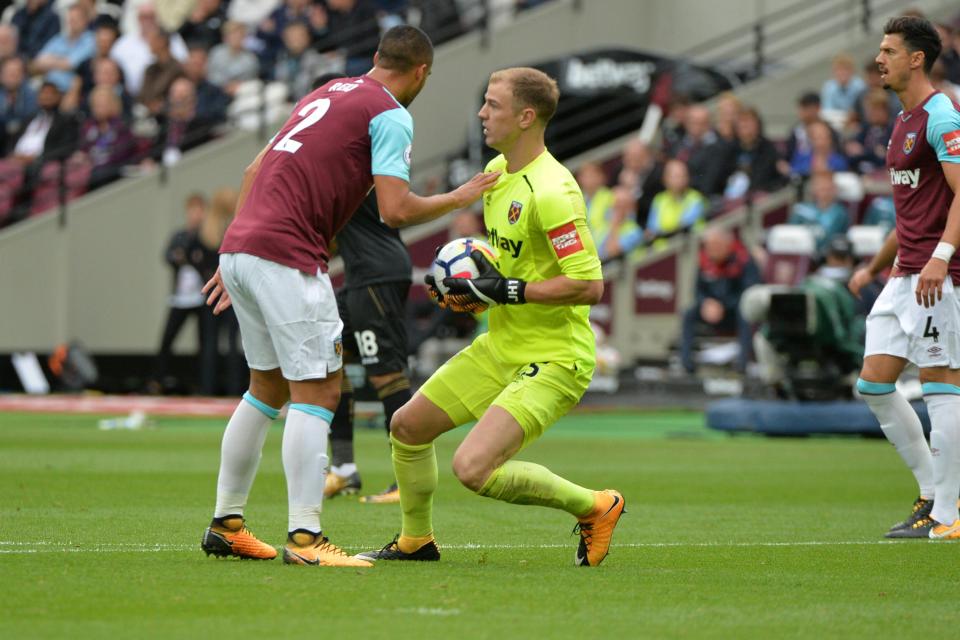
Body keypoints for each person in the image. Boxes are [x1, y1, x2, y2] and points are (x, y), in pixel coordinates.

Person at [198, 25, 499, 568]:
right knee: (319, 391)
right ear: (421, 72)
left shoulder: (325, 92)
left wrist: (238, 245)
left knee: (265, 387)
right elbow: (395, 209)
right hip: (287, 256)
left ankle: (227, 523)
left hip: (242, 247)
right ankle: (307, 539)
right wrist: (461, 195)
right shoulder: (390, 112)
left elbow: (252, 169)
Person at [356, 67, 624, 567]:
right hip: (502, 346)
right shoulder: (498, 173)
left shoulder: (554, 190)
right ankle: (416, 541)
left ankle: (596, 506)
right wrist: (472, 284)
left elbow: (589, 285)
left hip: (555, 359)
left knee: (472, 468)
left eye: (493, 105)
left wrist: (508, 290)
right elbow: (508, 262)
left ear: (526, 117)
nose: (481, 112)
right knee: (407, 427)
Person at [848, 16, 960, 540]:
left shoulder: (942, 115)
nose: (880, 59)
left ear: (916, 58)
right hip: (904, 275)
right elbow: (910, 213)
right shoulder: (902, 121)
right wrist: (873, 265)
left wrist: (940, 257)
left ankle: (949, 515)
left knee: (940, 383)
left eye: (889, 50)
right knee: (873, 383)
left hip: (939, 276)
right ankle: (933, 492)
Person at [679, 226, 760, 374]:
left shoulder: (744, 260)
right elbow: (698, 290)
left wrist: (723, 305)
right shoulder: (704, 261)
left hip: (735, 310)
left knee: (746, 315)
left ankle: (743, 365)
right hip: (712, 311)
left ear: (727, 244)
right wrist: (705, 303)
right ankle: (686, 364)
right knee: (688, 313)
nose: (711, 250)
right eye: (708, 246)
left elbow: (750, 293)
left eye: (715, 245)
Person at [150, 193, 209, 394]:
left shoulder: (206, 236)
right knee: (167, 339)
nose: (195, 215)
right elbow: (168, 256)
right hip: (180, 297)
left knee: (203, 343)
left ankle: (202, 384)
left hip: (201, 298)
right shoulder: (179, 235)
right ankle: (158, 379)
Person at [787, 171, 850, 254]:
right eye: (821, 188)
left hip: (826, 256)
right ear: (814, 189)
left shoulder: (840, 214)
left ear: (834, 190)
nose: (825, 192)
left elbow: (834, 239)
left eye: (828, 188)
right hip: (799, 253)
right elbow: (791, 233)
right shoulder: (801, 210)